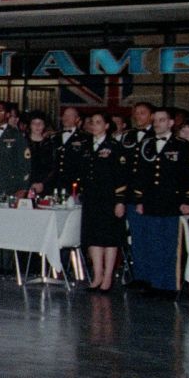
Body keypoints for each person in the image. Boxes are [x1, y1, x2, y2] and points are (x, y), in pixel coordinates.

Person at [120, 107, 189, 298]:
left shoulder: (181, 145)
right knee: (153, 243)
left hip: (172, 203)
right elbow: (141, 175)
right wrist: (138, 199)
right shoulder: (146, 143)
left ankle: (170, 286)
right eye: (155, 120)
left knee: (170, 246)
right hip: (151, 202)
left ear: (171, 123)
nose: (157, 124)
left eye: (162, 120)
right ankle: (155, 284)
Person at [77, 110, 124, 292]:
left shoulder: (114, 146)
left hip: (109, 198)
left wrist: (120, 200)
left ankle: (108, 276)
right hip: (91, 198)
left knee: (109, 238)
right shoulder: (86, 146)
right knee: (93, 237)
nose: (94, 125)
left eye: (98, 122)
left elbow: (121, 176)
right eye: (92, 122)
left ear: (106, 126)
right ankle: (97, 275)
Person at [24, 112, 58, 196]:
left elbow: (54, 167)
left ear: (44, 126)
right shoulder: (22, 143)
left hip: (45, 187)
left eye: (40, 123)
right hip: (24, 186)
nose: (37, 126)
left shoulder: (51, 144)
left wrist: (43, 184)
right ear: (29, 125)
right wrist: (29, 184)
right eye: (34, 123)